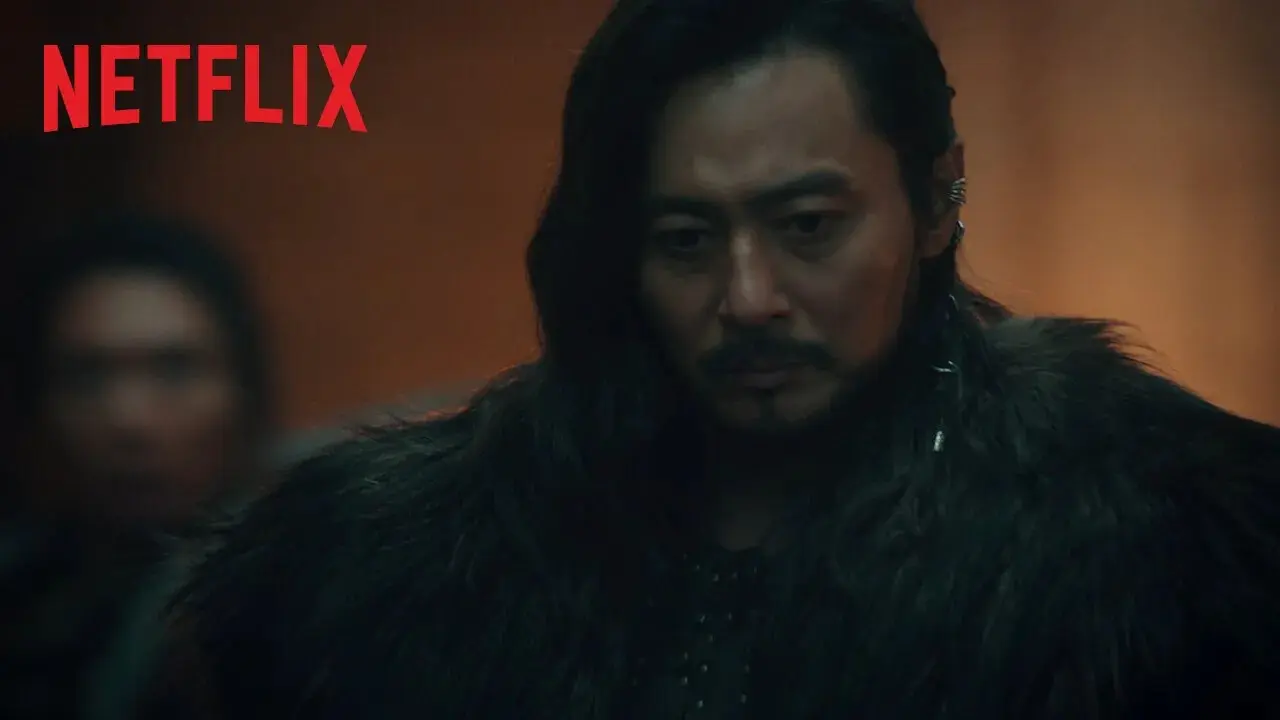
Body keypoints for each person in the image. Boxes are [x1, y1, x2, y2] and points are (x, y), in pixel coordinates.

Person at [154, 0, 1280, 717]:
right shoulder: (387, 574)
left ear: (936, 201)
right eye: (687, 240)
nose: (747, 299)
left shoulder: (1156, 542)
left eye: (808, 227)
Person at [1, 214, 273, 720]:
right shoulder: (21, 594)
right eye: (84, 377)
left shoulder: (302, 596)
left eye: (175, 369)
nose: (130, 421)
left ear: (244, 390)